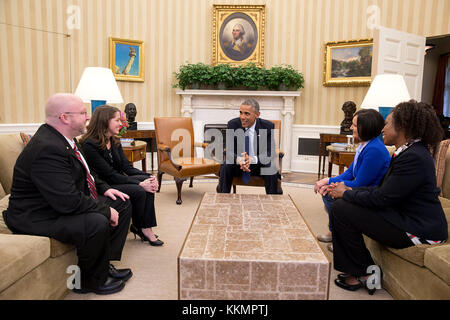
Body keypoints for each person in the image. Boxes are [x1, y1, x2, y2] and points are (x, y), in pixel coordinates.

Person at [2, 93, 133, 295]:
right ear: (64, 117)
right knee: (97, 221)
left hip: (56, 203)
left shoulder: (66, 139)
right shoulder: (47, 148)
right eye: (82, 113)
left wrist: (106, 189)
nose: (88, 117)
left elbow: (86, 173)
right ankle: (88, 282)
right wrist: (105, 211)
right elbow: (68, 201)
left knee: (121, 202)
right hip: (37, 214)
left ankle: (103, 264)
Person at [328, 100, 448, 294]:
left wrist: (347, 193)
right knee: (342, 205)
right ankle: (363, 269)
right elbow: (384, 191)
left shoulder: (414, 157)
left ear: (402, 127)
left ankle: (365, 273)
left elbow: (382, 198)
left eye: (387, 124)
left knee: (341, 208)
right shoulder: (408, 152)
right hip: (404, 216)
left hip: (419, 230)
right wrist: (348, 193)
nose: (382, 128)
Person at [80, 105, 163, 246]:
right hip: (105, 184)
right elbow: (110, 175)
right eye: (117, 120)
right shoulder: (89, 144)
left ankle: (144, 227)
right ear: (105, 121)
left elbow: (126, 167)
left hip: (116, 178)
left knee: (147, 181)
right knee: (139, 189)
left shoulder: (113, 139)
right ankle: (142, 227)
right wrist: (139, 184)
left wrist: (148, 176)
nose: (121, 123)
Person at [314, 109, 391, 250]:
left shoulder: (374, 150)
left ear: (365, 127)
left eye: (354, 125)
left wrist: (331, 185)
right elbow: (350, 172)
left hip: (369, 192)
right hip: (361, 188)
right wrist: (328, 180)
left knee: (331, 194)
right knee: (328, 192)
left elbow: (360, 183)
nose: (350, 128)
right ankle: (334, 232)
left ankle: (338, 236)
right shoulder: (364, 145)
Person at [218, 98, 280, 194]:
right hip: (239, 165)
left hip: (258, 165)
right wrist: (240, 160)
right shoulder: (232, 124)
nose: (242, 117)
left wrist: (251, 159)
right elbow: (229, 151)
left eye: (247, 113)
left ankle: (272, 200)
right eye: (241, 113)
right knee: (226, 166)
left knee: (270, 167)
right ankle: (222, 198)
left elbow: (269, 152)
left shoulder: (267, 126)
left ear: (257, 115)